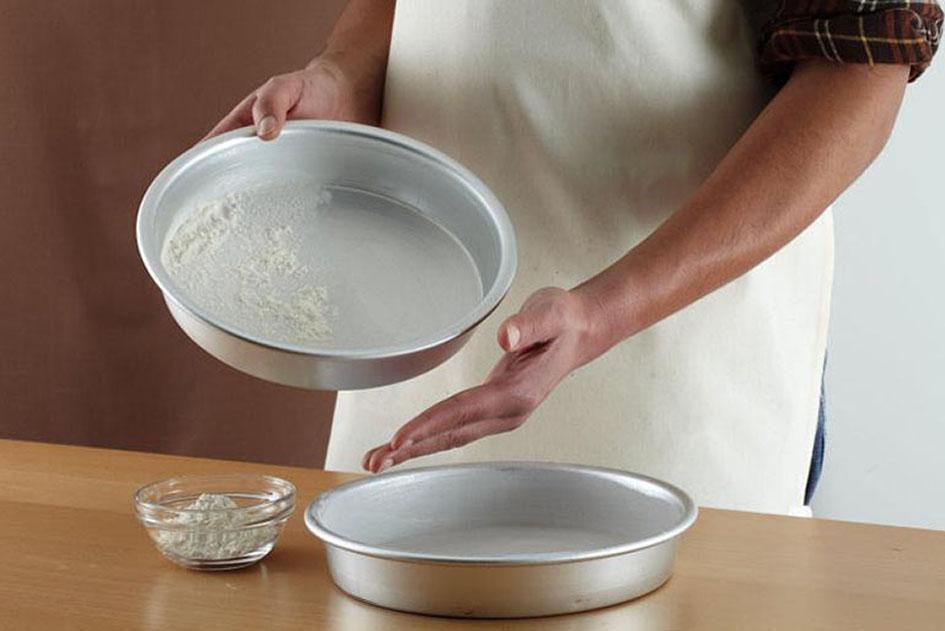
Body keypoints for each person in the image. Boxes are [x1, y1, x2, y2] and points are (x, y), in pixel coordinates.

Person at [208, 0, 941, 515]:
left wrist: (604, 311)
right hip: (422, 343)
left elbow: (860, 73)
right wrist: (341, 76)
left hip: (672, 370)